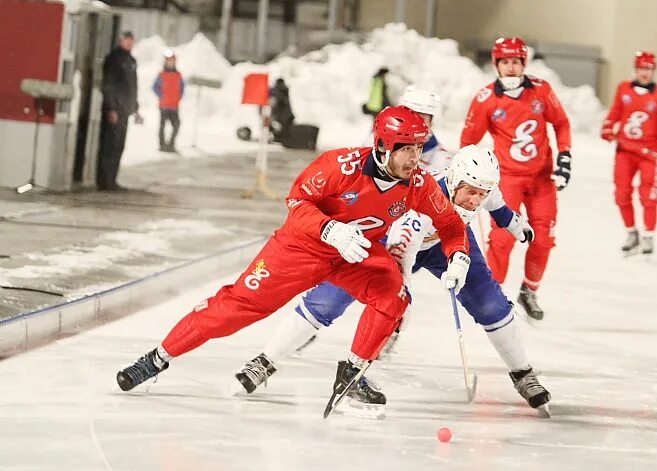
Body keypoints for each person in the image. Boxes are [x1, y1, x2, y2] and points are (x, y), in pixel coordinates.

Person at [115, 106, 471, 408]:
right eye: (407, 149)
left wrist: (459, 258)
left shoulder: (419, 184)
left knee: (393, 292)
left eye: (419, 148)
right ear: (382, 146)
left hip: (352, 255)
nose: (415, 158)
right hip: (300, 249)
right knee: (234, 310)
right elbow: (297, 202)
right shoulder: (339, 166)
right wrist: (331, 230)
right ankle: (158, 358)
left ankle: (352, 374)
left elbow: (451, 224)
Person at [233, 145, 552, 418]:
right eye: (470, 191)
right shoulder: (418, 209)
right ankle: (266, 360)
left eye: (480, 193)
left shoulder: (480, 187)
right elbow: (403, 259)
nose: (474, 201)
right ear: (453, 180)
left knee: (490, 303)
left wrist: (512, 224)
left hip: (448, 239)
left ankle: (523, 373)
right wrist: (403, 301)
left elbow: (494, 202)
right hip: (396, 241)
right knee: (331, 298)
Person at [461, 37, 572, 321]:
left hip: (541, 178)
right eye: (505, 62)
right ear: (497, 64)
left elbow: (560, 123)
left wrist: (565, 156)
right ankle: (492, 294)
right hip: (507, 179)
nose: (511, 68)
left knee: (544, 238)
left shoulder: (540, 90)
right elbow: (468, 143)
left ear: (524, 63)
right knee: (502, 239)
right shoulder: (486, 99)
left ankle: (529, 290)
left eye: (516, 62)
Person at [600, 51, 657, 255]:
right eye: (642, 68)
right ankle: (631, 232)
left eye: (649, 69)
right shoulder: (624, 89)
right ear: (636, 69)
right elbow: (615, 112)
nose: (645, 73)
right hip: (625, 151)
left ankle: (648, 235)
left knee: (648, 195)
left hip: (649, 154)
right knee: (621, 193)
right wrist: (609, 127)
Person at [97, 31, 140, 191]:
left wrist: (134, 106)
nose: (129, 43)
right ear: (120, 40)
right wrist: (111, 108)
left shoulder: (131, 60)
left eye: (131, 40)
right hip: (114, 109)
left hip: (125, 109)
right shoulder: (114, 58)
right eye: (126, 40)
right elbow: (109, 85)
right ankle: (104, 180)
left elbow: (133, 85)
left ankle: (112, 179)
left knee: (119, 145)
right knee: (110, 144)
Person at [152, 50, 184, 152]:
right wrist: (161, 96)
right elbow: (155, 87)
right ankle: (162, 145)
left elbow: (182, 88)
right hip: (164, 106)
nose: (170, 63)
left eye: (172, 61)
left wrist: (179, 97)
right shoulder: (162, 74)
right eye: (168, 61)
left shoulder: (178, 75)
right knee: (162, 126)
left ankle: (171, 144)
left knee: (176, 124)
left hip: (174, 106)